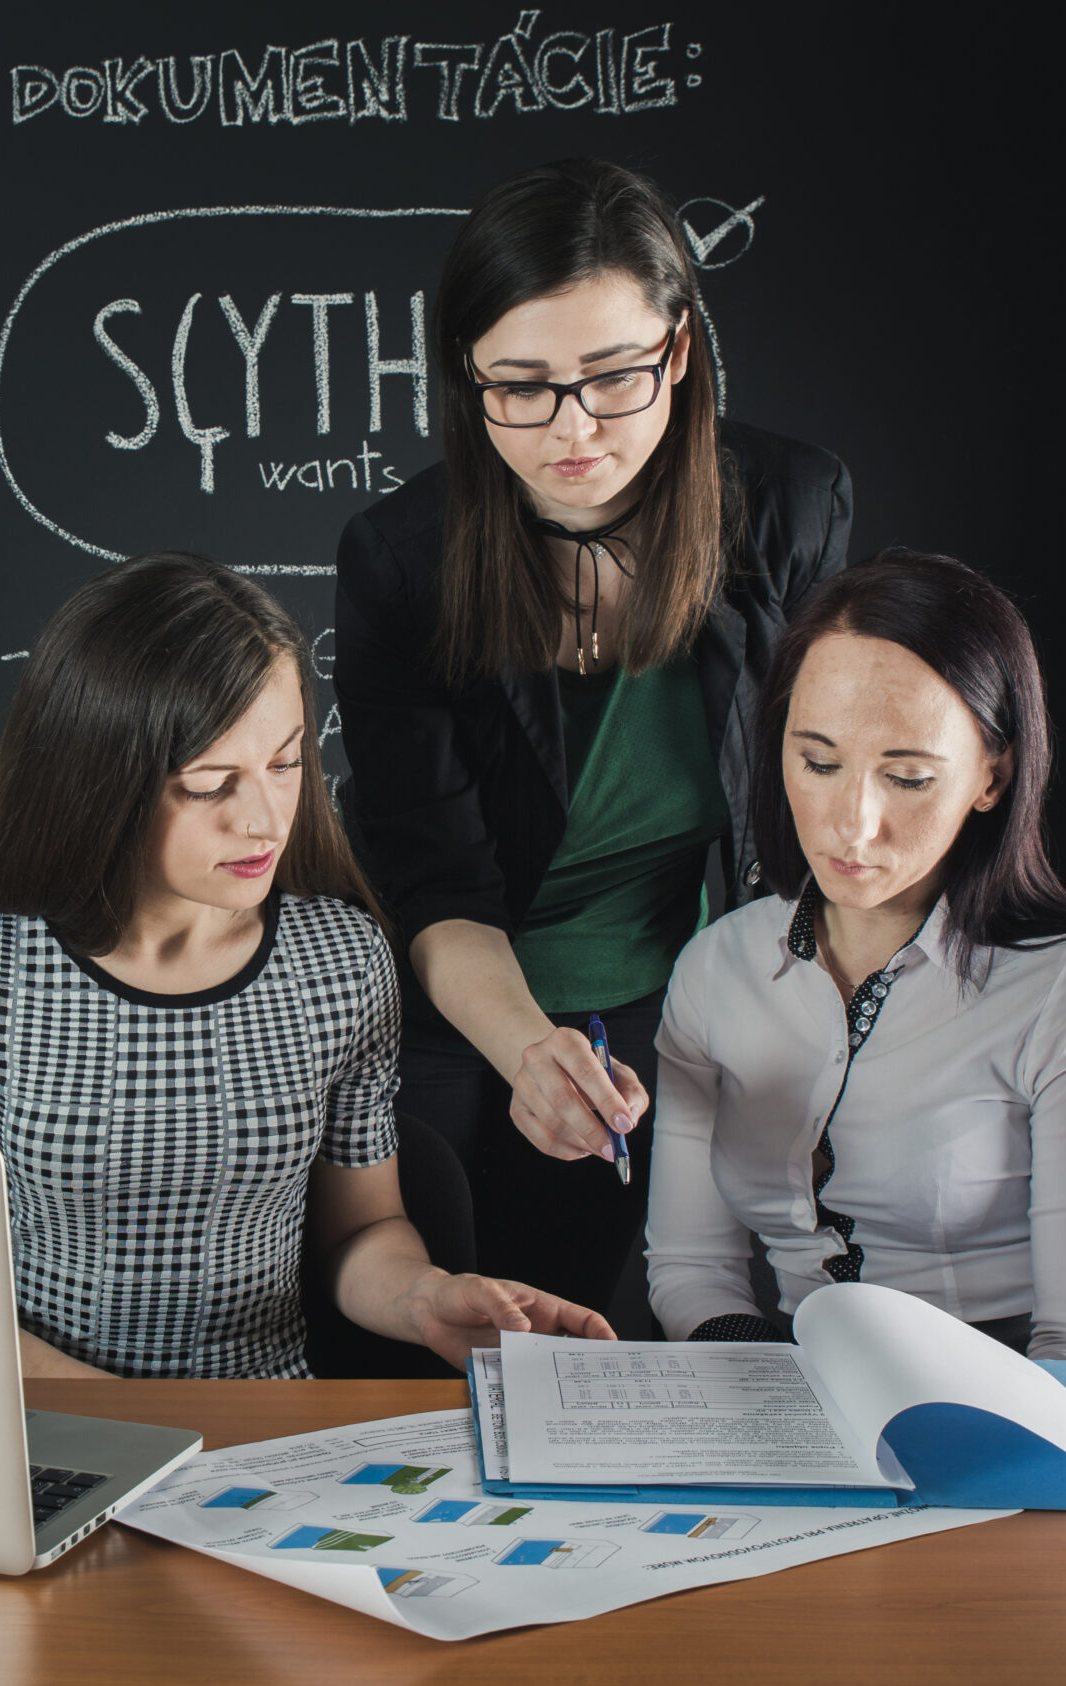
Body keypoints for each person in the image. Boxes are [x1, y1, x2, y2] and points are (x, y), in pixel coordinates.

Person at [0, 553, 614, 1378]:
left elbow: (361, 1231)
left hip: (263, 1438)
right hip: (43, 1426)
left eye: (287, 763)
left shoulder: (340, 960)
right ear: (98, 778)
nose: (265, 819)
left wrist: (423, 1298)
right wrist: (144, 1433)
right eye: (211, 783)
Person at [334, 159, 853, 1325]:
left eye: (611, 377)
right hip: (472, 1017)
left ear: (676, 351)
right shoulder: (401, 562)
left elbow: (820, 812)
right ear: (465, 381)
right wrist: (531, 1051)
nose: (572, 430)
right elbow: (436, 881)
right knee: (487, 1332)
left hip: (697, 1007)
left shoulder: (789, 509)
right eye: (519, 386)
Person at [643, 552, 1066, 1361]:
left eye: (908, 778)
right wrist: (776, 1398)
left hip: (1034, 1383)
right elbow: (692, 1270)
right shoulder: (716, 970)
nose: (850, 826)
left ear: (991, 778)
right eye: (818, 763)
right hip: (799, 1379)